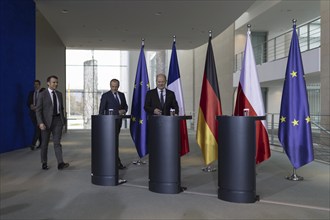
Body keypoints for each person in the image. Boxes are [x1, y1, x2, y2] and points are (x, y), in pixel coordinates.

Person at [36, 75, 69, 170]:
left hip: (58, 121)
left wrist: (63, 121)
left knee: (57, 143)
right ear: (48, 83)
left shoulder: (59, 94)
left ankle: (60, 163)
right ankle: (44, 162)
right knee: (44, 144)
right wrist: (40, 123)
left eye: (57, 82)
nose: (56, 84)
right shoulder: (42, 94)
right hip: (46, 123)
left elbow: (61, 108)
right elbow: (38, 110)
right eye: (54, 82)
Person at [99, 79, 128, 171]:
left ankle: (115, 162)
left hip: (118, 122)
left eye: (116, 86)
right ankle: (115, 162)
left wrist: (124, 110)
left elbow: (125, 106)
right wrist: (116, 112)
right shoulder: (105, 96)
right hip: (108, 124)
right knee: (111, 143)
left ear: (118, 86)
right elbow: (102, 111)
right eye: (113, 86)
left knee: (115, 142)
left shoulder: (122, 95)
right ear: (110, 86)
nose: (114, 88)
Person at [27, 80, 45, 150]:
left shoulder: (43, 93)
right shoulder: (31, 93)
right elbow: (28, 102)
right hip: (32, 114)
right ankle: (41, 144)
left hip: (40, 114)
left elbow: (44, 103)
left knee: (37, 128)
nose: (35, 85)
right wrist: (31, 105)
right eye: (34, 84)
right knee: (38, 128)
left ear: (39, 85)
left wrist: (37, 107)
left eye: (37, 84)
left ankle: (33, 143)